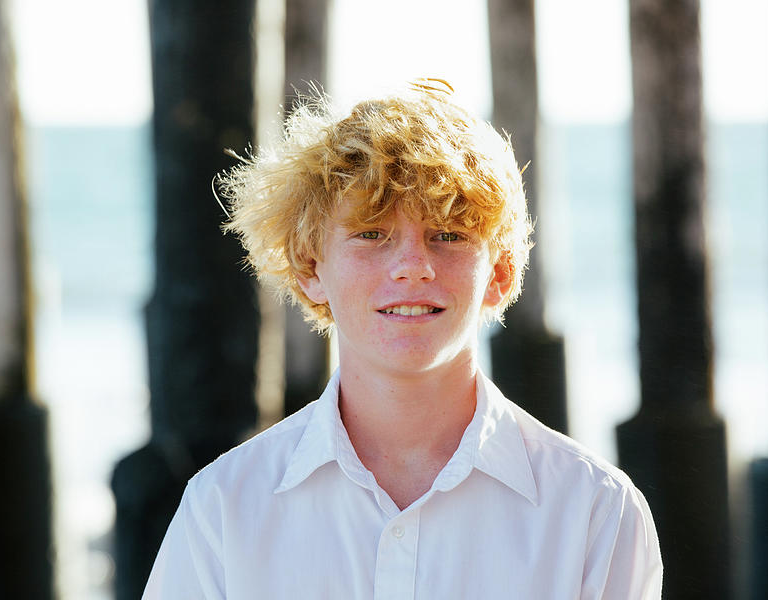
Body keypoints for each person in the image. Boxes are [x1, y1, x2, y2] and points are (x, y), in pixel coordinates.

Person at [142, 79, 662, 599]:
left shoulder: (595, 510)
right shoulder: (224, 507)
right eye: (372, 233)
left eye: (449, 235)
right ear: (309, 267)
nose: (413, 266)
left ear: (499, 273)